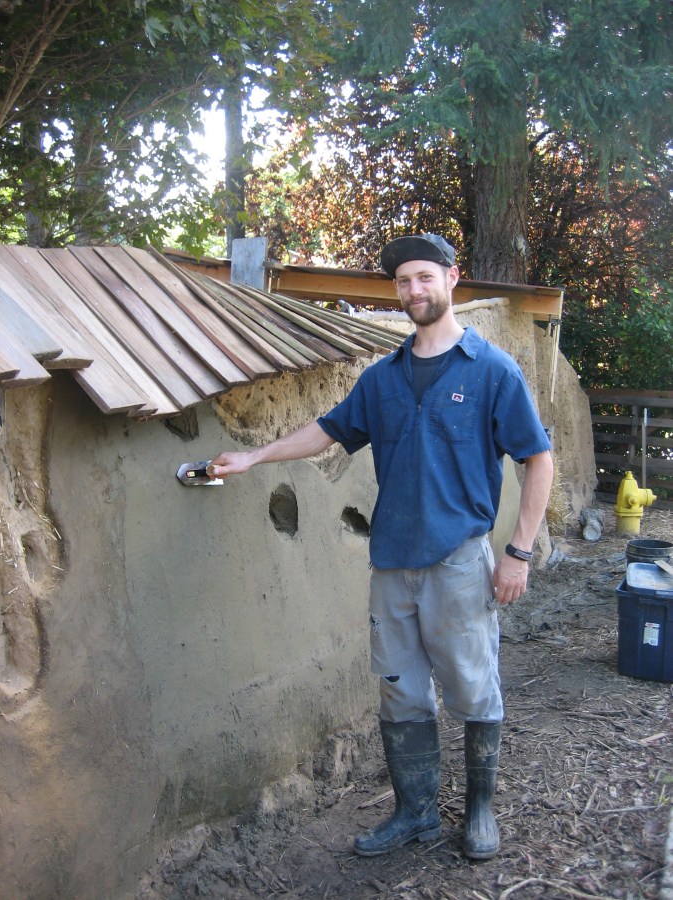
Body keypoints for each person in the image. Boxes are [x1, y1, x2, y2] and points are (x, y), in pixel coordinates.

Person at [207, 234, 554, 861]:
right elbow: (329, 430)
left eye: (424, 277)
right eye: (403, 281)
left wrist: (518, 551)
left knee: (473, 687)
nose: (414, 290)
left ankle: (479, 812)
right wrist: (255, 454)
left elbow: (538, 459)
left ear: (452, 278)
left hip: (459, 560)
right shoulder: (383, 378)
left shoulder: (492, 371)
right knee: (399, 689)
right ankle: (415, 812)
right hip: (391, 563)